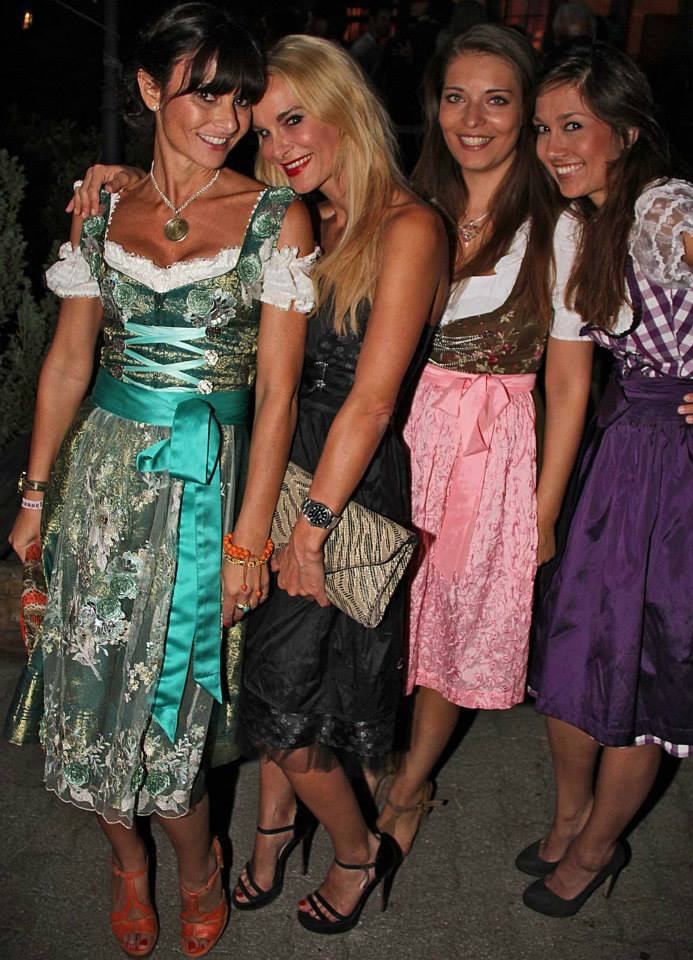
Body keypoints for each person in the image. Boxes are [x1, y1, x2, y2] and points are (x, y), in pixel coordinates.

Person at [6, 4, 315, 957]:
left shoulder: (275, 217)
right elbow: (68, 362)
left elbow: (277, 395)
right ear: (148, 89)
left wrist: (248, 540)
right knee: (85, 679)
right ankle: (126, 864)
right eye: (205, 94)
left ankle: (197, 865)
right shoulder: (102, 206)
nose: (228, 119)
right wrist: (33, 495)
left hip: (205, 488)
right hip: (102, 480)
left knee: (174, 703)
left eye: (240, 99)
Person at [231, 36, 447, 934]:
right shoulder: (303, 219)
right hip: (280, 462)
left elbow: (372, 399)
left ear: (343, 108)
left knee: (281, 695)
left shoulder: (409, 226)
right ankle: (275, 829)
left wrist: (311, 530)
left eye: (293, 118)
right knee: (283, 678)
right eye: (262, 130)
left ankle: (359, 853)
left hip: (342, 482)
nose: (277, 145)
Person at [373, 23, 594, 857]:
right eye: (456, 98)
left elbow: (569, 385)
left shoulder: (558, 228)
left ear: (525, 112)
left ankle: (410, 785)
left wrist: (543, 510)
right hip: (399, 437)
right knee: (389, 611)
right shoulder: (407, 203)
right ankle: (379, 751)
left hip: (489, 452)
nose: (473, 119)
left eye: (497, 100)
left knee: (453, 625)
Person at [519, 43, 693, 918]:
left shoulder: (664, 208)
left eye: (574, 126)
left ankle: (599, 847)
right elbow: (569, 379)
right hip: (621, 455)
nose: (554, 146)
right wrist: (544, 511)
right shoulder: (586, 222)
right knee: (575, 645)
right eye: (543, 129)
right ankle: (571, 820)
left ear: (626, 131)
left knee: (647, 662)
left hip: (686, 466)